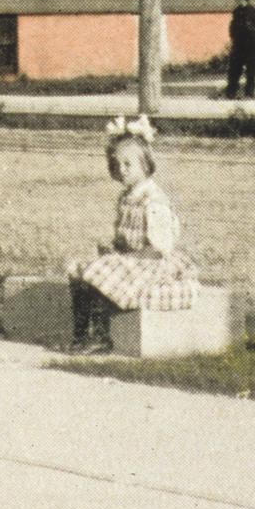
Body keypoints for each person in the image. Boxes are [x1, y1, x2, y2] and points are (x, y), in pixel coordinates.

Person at [65, 116, 199, 354]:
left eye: (128, 164)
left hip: (153, 263)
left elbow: (159, 248)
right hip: (134, 259)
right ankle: (82, 333)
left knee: (102, 271)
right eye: (116, 165)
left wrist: (124, 258)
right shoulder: (126, 198)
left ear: (145, 165)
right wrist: (114, 250)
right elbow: (124, 237)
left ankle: (101, 335)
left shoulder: (153, 201)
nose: (121, 170)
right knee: (80, 269)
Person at [219, 0, 255, 100]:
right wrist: (233, 34)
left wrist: (251, 28)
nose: (237, 1)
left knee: (251, 72)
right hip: (239, 46)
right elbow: (233, 27)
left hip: (251, 46)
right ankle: (231, 93)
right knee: (234, 70)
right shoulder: (236, 12)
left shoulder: (253, 12)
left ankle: (249, 94)